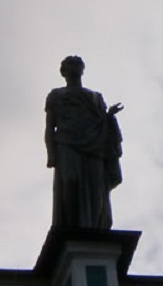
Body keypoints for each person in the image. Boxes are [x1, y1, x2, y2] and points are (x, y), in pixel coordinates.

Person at [45, 56, 124, 230]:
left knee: (96, 190)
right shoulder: (56, 95)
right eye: (70, 65)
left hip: (95, 144)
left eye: (77, 64)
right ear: (63, 72)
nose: (74, 67)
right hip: (66, 143)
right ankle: (71, 230)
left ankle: (94, 230)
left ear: (82, 70)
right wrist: (51, 154)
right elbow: (50, 127)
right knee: (70, 183)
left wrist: (109, 117)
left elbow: (101, 120)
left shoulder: (95, 97)